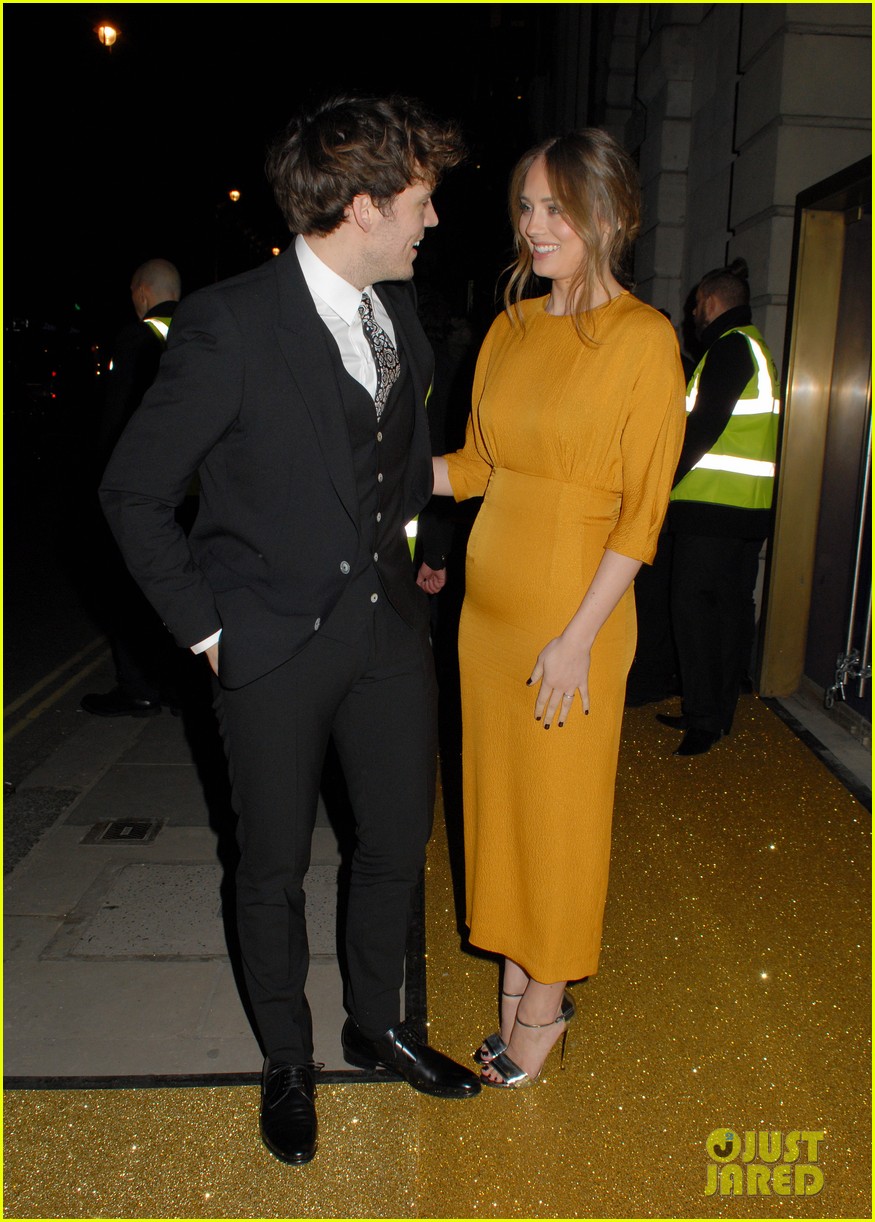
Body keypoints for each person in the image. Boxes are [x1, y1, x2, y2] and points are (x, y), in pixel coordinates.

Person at [100, 95, 477, 1166]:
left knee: (394, 845)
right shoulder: (227, 322)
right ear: (360, 204)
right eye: (419, 200)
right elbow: (132, 493)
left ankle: (379, 1021)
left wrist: (429, 538)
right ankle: (287, 1060)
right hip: (265, 644)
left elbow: (396, 465)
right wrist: (206, 630)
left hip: (389, 634)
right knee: (268, 867)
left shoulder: (396, 309)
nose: (432, 220)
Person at [431, 130, 686, 1088]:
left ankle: (544, 1005)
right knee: (497, 810)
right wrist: (378, 475)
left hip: (575, 623)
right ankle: (512, 981)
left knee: (559, 815)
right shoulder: (508, 326)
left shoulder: (644, 338)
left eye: (556, 209)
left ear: (610, 215)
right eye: (526, 208)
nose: (535, 227)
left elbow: (641, 511)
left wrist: (577, 638)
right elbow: (478, 467)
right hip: (485, 620)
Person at [657, 258, 780, 756]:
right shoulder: (756, 348)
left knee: (695, 612)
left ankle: (704, 716)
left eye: (696, 305)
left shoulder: (730, 349)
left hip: (711, 512)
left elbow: (701, 429)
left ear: (712, 301)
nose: (692, 315)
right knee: (730, 612)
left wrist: (659, 485)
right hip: (744, 512)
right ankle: (717, 712)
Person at [81, 258, 184, 717]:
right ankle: (182, 686)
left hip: (148, 492)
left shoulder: (137, 337)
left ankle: (138, 686)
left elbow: (117, 421)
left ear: (143, 293)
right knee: (183, 586)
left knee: (130, 587)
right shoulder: (204, 330)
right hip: (196, 492)